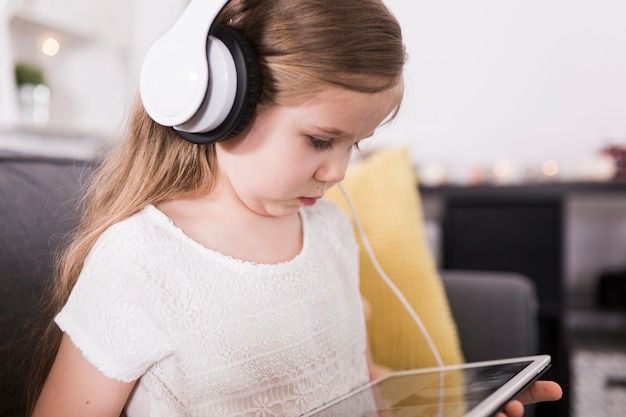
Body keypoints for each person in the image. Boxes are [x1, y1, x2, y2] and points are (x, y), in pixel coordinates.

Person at [28, 0, 562, 416]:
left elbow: (360, 381)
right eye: (318, 140)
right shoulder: (140, 259)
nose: (338, 173)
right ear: (218, 104)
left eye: (355, 144)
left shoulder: (329, 228)